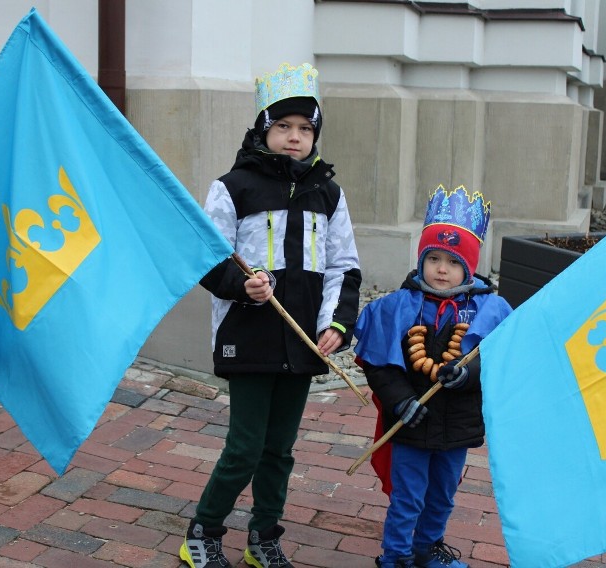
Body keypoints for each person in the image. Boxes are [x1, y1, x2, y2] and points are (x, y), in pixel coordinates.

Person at [179, 62, 362, 568]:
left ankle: (264, 536)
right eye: (283, 126)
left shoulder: (328, 193)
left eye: (305, 129)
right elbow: (206, 257)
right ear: (264, 129)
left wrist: (336, 325)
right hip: (250, 336)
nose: (294, 137)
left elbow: (344, 267)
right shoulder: (233, 186)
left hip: (302, 341)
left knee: (280, 450)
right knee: (244, 448)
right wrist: (243, 285)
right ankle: (204, 531)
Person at [353, 186, 512, 568]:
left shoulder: (491, 312)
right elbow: (380, 365)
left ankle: (427, 549)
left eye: (453, 262)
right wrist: (400, 400)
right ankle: (395, 556)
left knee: (443, 493)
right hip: (410, 421)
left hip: (457, 424)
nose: (442, 269)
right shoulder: (397, 308)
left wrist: (469, 373)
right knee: (408, 495)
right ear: (421, 259)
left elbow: (500, 358)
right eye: (434, 258)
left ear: (469, 267)